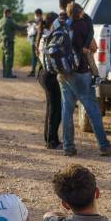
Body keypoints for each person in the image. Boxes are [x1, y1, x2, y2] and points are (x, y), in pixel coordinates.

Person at [55, 0, 111, 157]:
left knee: (67, 108)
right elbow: (93, 47)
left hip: (63, 71)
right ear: (73, 3)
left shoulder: (58, 22)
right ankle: (104, 145)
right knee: (92, 108)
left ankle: (68, 146)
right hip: (81, 72)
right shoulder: (84, 23)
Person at [36, 12, 62, 150]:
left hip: (43, 74)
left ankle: (50, 138)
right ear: (53, 22)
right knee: (55, 109)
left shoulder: (43, 34)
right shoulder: (49, 36)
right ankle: (52, 141)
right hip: (49, 75)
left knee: (51, 107)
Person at [67, 2, 99, 79]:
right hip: (81, 64)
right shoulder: (77, 23)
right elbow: (90, 32)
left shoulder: (85, 19)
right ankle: (96, 76)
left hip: (87, 41)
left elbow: (91, 32)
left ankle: (96, 75)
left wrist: (86, 46)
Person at [0, 8, 26, 78]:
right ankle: (8, 74)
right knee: (9, 58)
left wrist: (1, 39)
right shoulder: (9, 21)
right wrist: (27, 26)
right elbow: (18, 27)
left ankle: (5, 73)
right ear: (7, 13)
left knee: (4, 57)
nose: (11, 15)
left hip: (2, 41)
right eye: (11, 13)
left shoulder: (0, 21)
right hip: (8, 42)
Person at [27, 8, 43, 77]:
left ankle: (35, 71)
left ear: (39, 14)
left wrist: (33, 22)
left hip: (38, 42)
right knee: (36, 57)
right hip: (36, 41)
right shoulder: (37, 21)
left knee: (36, 57)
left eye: (36, 14)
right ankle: (35, 71)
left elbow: (39, 28)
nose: (35, 16)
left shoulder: (41, 21)